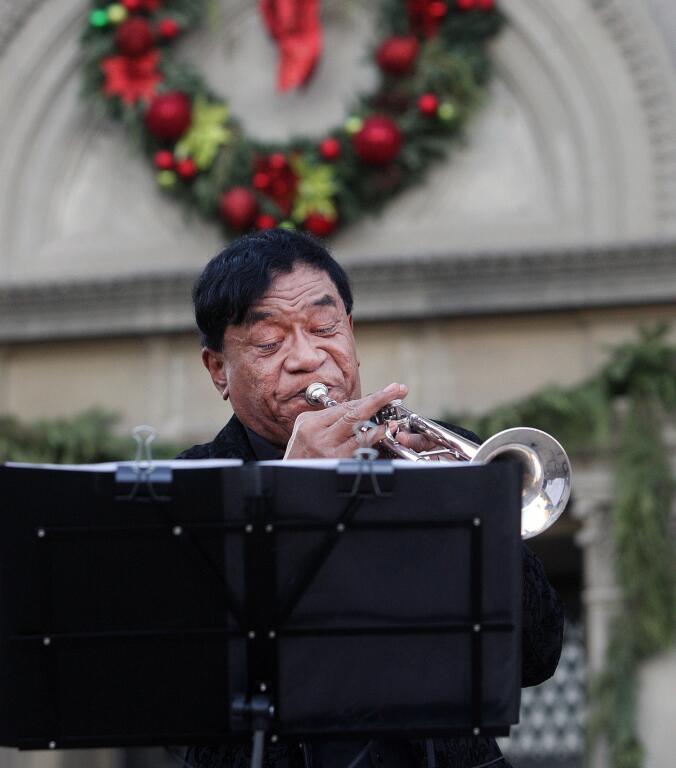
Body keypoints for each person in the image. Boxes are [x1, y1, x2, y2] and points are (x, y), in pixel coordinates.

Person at [180, 229, 564, 768]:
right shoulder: (189, 486)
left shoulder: (439, 458)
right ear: (219, 369)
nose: (308, 358)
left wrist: (475, 520)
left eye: (324, 328)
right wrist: (290, 498)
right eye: (269, 343)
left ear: (351, 331)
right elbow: (182, 695)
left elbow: (538, 656)